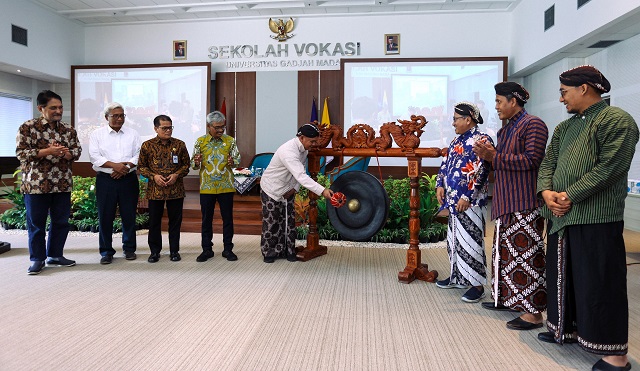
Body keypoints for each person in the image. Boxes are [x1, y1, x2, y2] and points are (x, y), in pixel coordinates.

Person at [537, 65, 638, 371]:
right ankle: (567, 330)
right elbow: (547, 163)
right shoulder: (565, 128)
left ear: (584, 88)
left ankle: (614, 355)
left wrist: (568, 196)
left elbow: (610, 168)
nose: (561, 99)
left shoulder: (617, 120)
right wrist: (546, 193)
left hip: (596, 218)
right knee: (566, 277)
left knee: (599, 283)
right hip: (561, 216)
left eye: (564, 92)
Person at [473, 82, 549, 330]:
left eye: (498, 101)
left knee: (526, 258)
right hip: (506, 202)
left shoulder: (533, 124)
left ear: (513, 101)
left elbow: (531, 160)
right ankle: (508, 300)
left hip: (525, 201)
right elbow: (502, 164)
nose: (495, 107)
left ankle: (533, 314)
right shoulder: (505, 132)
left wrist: (494, 156)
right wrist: (488, 156)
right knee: (506, 257)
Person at [16, 90, 81, 275]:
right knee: (36, 224)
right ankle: (37, 259)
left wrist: (66, 153)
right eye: (53, 107)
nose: (58, 111)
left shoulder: (68, 129)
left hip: (61, 183)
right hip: (36, 185)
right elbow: (21, 154)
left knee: (61, 222)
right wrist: (48, 151)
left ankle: (55, 255)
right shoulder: (28, 127)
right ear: (41, 108)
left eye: (60, 107)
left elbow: (76, 151)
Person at [435, 102, 493, 303]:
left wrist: (468, 196)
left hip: (470, 202)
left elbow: (482, 171)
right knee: (454, 242)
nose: (452, 123)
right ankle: (458, 277)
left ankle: (477, 286)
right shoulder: (455, 140)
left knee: (471, 242)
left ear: (468, 120)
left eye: (455, 119)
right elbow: (445, 165)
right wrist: (439, 185)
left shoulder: (482, 140)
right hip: (452, 199)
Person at [259, 123, 333, 263]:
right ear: (301, 137)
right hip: (272, 188)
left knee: (288, 221)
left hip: (288, 188)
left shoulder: (303, 149)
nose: (314, 144)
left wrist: (295, 188)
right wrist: (323, 190)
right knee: (272, 222)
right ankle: (269, 253)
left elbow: (300, 172)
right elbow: (301, 176)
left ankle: (288, 251)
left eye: (316, 141)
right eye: (312, 141)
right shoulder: (288, 151)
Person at [89, 102, 141, 264]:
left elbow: (139, 155)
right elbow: (95, 157)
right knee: (105, 216)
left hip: (128, 179)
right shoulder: (97, 135)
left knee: (129, 215)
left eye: (122, 115)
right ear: (107, 117)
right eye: (115, 116)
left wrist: (125, 168)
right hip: (106, 180)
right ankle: (106, 251)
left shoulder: (133, 134)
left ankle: (129, 248)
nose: (119, 119)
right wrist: (115, 166)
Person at [138, 115, 190, 263]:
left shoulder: (180, 144)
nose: (168, 131)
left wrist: (176, 174)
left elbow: (186, 165)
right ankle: (154, 252)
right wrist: (153, 176)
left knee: (175, 221)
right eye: (164, 128)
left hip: (176, 190)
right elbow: (141, 167)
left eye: (170, 127)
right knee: (154, 222)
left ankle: (174, 251)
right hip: (155, 190)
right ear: (156, 128)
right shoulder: (147, 145)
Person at [192, 111, 240, 262]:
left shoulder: (230, 141)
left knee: (228, 219)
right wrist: (197, 161)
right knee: (207, 219)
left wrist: (233, 162)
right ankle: (207, 250)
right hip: (207, 186)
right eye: (217, 127)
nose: (220, 130)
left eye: (223, 127)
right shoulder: (200, 141)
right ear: (208, 126)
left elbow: (237, 160)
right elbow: (193, 164)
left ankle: (228, 249)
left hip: (226, 185)